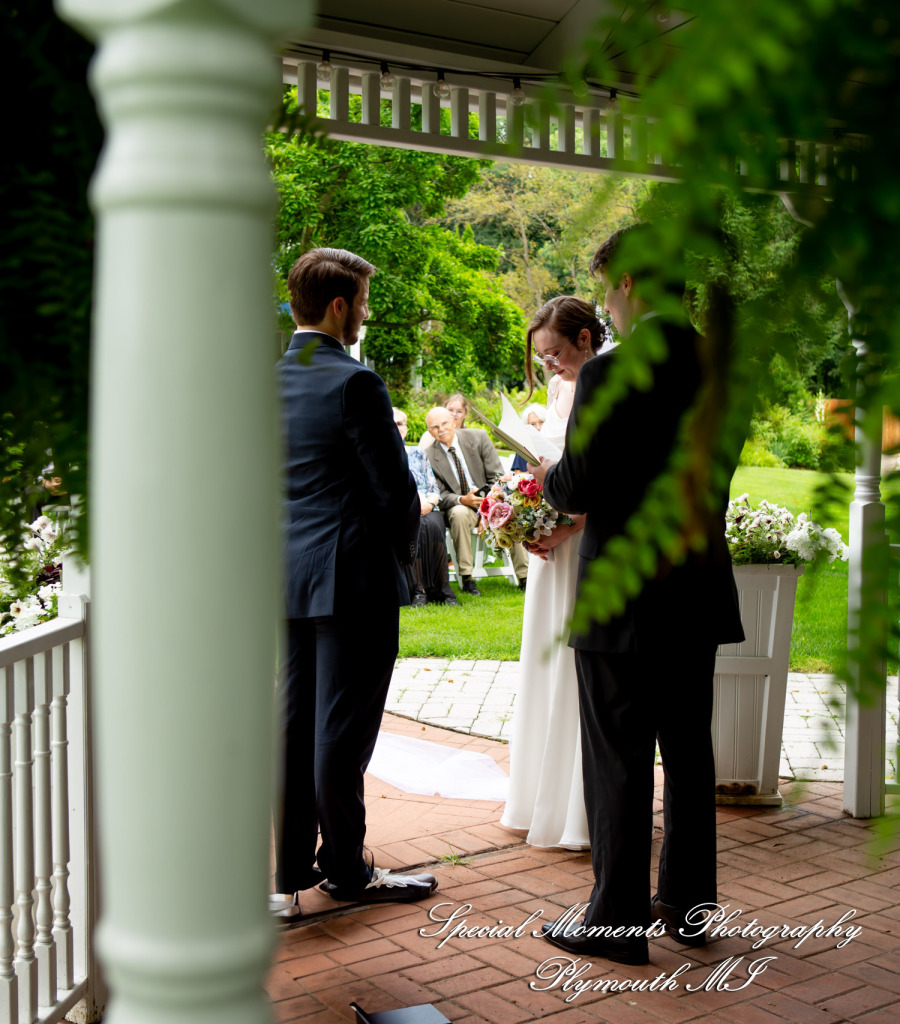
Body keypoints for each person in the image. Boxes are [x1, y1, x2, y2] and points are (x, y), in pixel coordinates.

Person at [533, 225, 744, 964]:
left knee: (618, 757)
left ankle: (616, 923)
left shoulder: (608, 374)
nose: (608, 309)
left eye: (608, 292)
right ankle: (688, 908)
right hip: (695, 587)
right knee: (688, 754)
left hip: (621, 595)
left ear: (627, 282)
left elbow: (578, 486)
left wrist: (549, 474)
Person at [273, 247, 437, 918]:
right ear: (339, 306)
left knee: (295, 725)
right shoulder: (355, 382)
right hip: (353, 578)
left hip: (287, 575)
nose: (364, 315)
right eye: (363, 303)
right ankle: (345, 869)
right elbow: (396, 493)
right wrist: (403, 558)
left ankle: (288, 873)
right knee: (341, 732)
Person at [501, 299, 604, 849]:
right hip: (552, 544)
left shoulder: (608, 382)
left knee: (576, 668)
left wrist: (568, 525)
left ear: (585, 338)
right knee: (544, 660)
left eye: (556, 353)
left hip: (586, 539)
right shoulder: (561, 388)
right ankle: (539, 796)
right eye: (542, 358)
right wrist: (526, 514)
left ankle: (578, 811)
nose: (551, 366)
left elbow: (611, 475)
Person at [424, 406, 528, 595]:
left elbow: (497, 476)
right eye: (435, 427)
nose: (441, 429)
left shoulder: (478, 437)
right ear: (429, 431)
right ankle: (467, 577)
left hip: (490, 499)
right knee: (459, 513)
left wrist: (488, 510)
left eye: (444, 423)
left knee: (508, 510)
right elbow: (439, 493)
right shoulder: (429, 456)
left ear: (453, 421)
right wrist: (462, 499)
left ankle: (524, 576)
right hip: (461, 506)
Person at [392, 407, 460, 607]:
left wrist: (429, 504)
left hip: (426, 506)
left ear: (406, 428)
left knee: (434, 525)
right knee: (412, 527)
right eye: (391, 423)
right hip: (400, 511)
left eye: (400, 423)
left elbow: (433, 487)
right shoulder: (379, 455)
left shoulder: (417, 453)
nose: (396, 427)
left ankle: (443, 590)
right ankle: (419, 590)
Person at [511, 404, 547, 472]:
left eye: (541, 422)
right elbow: (517, 473)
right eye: (533, 424)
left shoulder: (554, 444)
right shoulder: (524, 446)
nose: (538, 428)